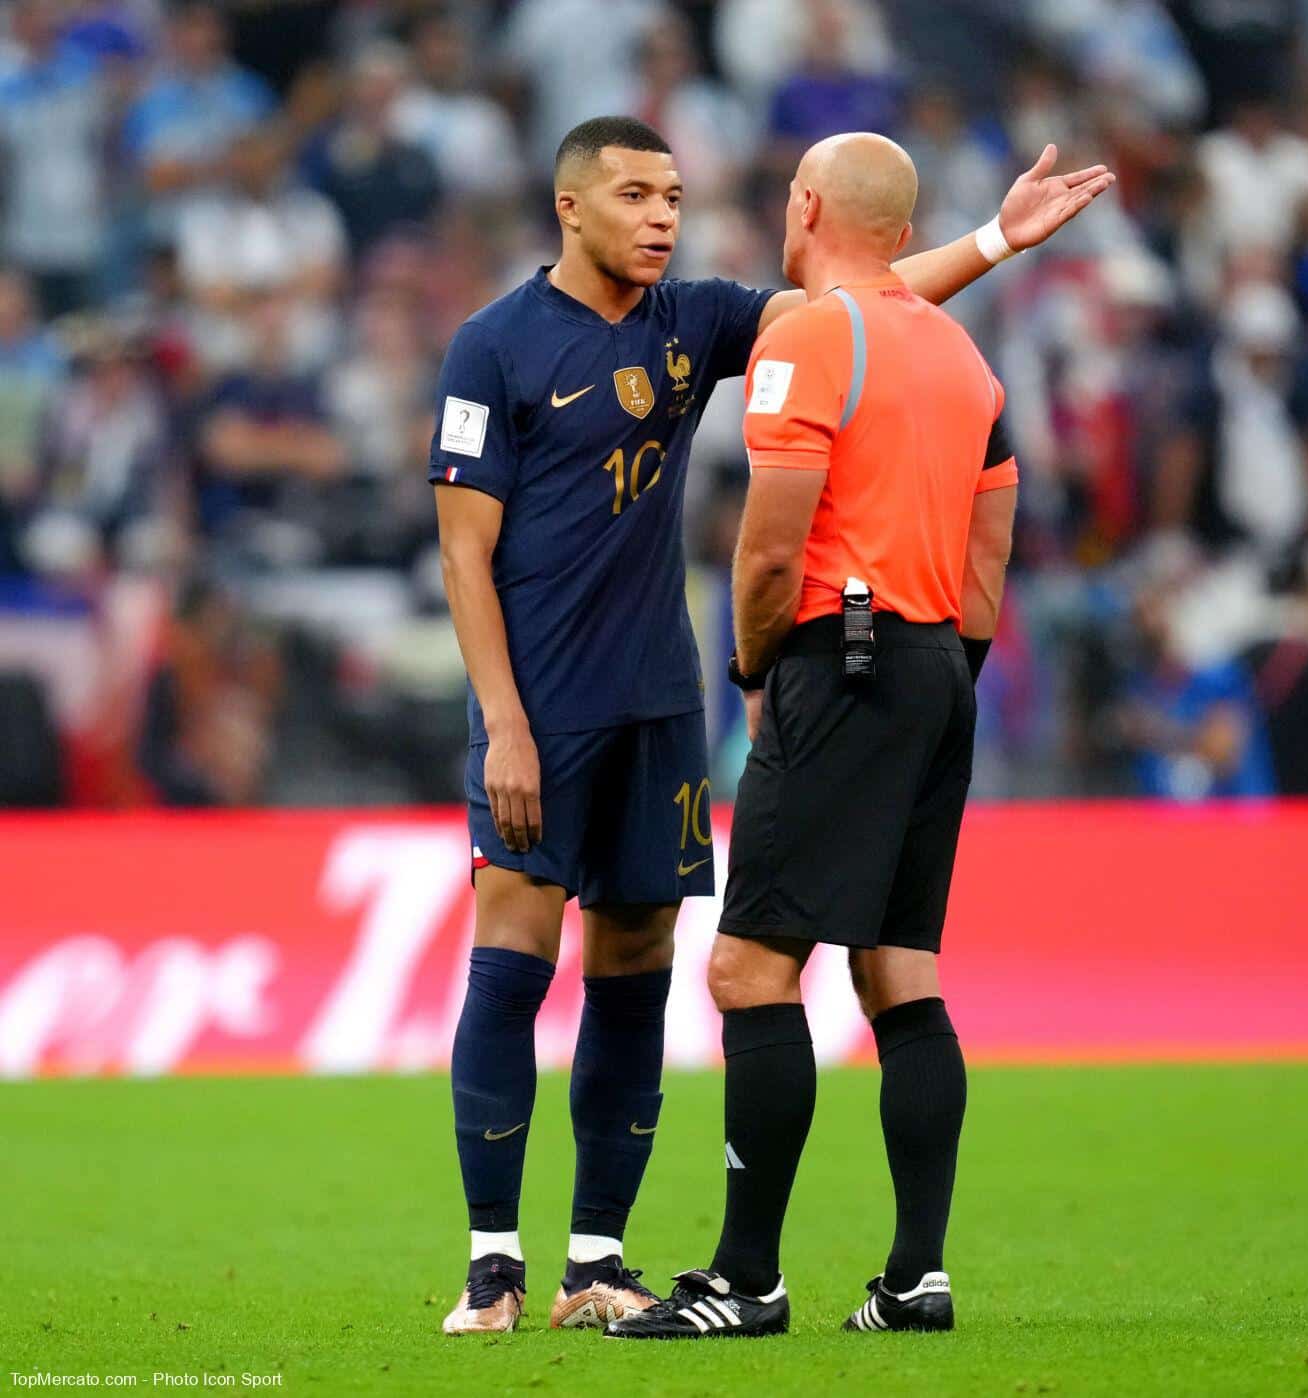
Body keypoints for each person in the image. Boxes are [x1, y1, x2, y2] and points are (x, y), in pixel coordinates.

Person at [429, 114, 1110, 1336]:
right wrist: (501, 720)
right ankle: (491, 1266)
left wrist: (996, 243)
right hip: (538, 711)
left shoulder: (692, 326)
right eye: (635, 194)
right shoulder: (492, 349)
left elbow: (863, 295)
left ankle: (596, 1256)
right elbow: (462, 554)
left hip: (659, 710)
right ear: (567, 207)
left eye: (675, 196)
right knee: (513, 966)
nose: (662, 217)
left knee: (634, 973)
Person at [605, 130, 1032, 1341]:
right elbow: (992, 548)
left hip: (838, 665)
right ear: (902, 231)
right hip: (940, 664)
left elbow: (773, 544)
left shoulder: (806, 339)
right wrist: (948, 671)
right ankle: (915, 1278)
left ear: (803, 205)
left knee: (749, 969)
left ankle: (748, 1282)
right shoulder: (962, 358)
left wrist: (752, 669)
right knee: (901, 970)